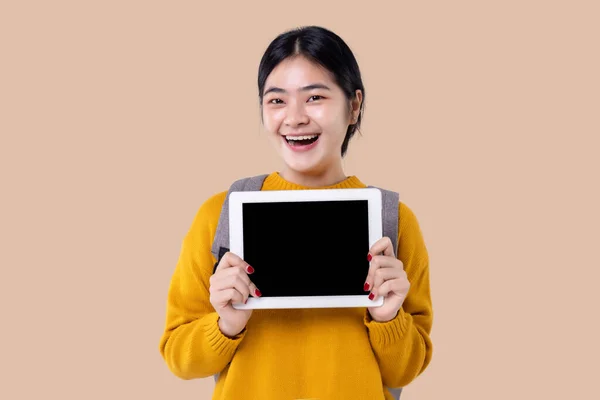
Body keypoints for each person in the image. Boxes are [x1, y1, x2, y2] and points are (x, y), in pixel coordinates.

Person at [158, 25, 433, 400]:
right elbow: (179, 359)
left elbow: (406, 371)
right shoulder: (220, 214)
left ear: (354, 106)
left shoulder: (392, 220)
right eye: (276, 101)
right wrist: (226, 325)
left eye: (315, 97)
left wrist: (387, 317)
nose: (295, 117)